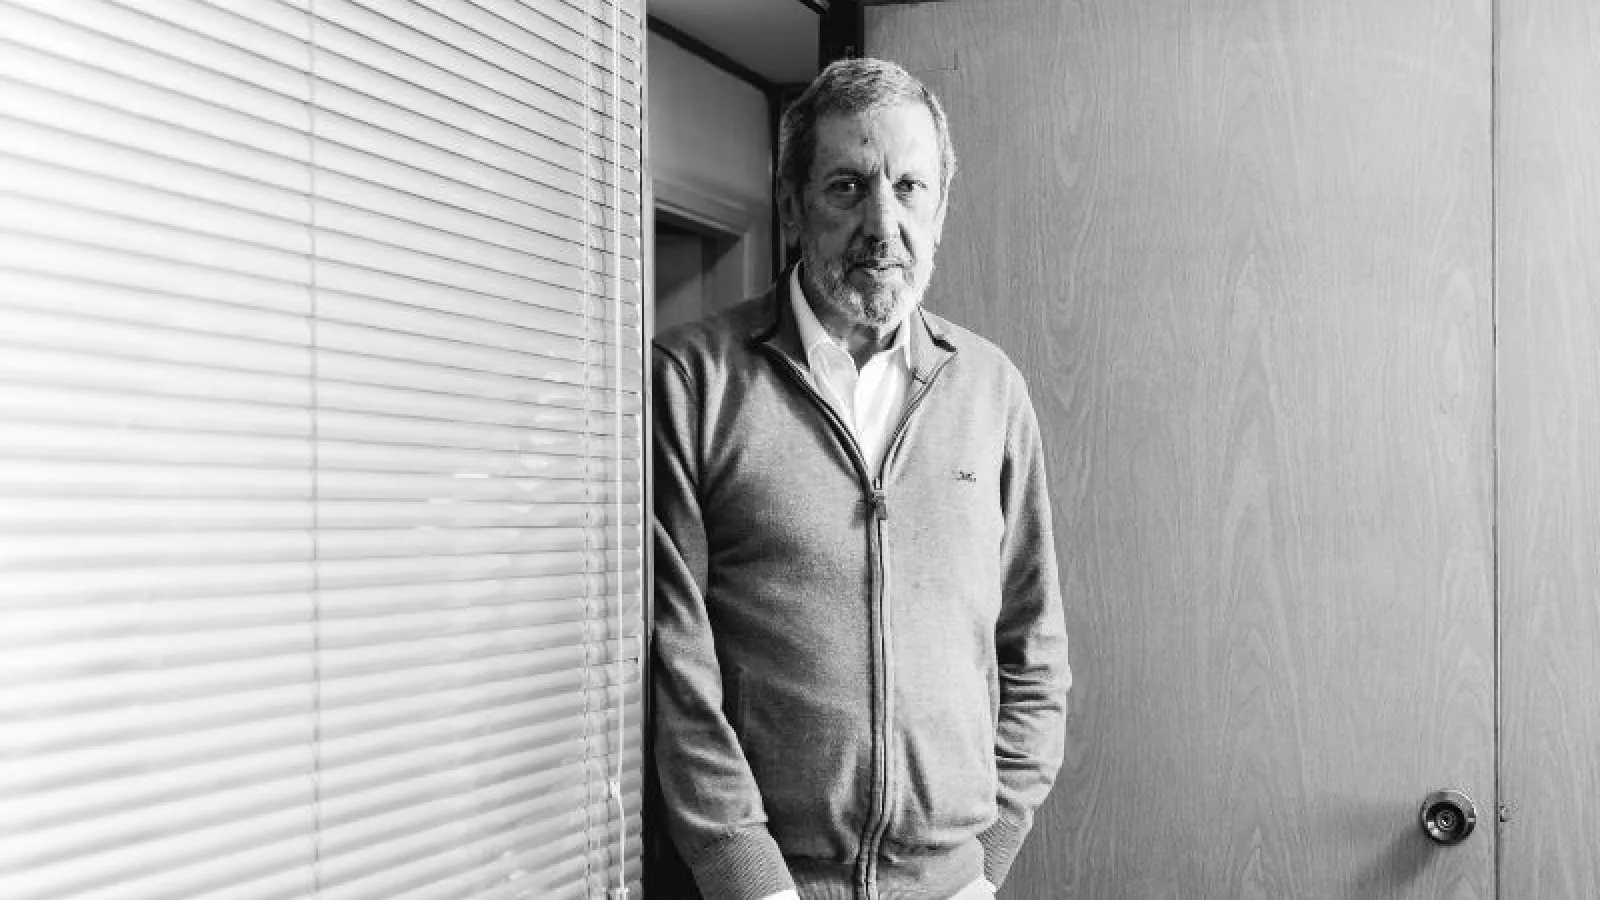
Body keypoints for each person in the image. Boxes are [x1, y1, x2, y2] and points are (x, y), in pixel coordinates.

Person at [651, 57, 1071, 900]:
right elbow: (674, 666)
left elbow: (1034, 648)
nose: (883, 224)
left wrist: (986, 859)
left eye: (910, 187)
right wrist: (751, 879)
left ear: (940, 209)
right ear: (792, 205)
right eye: (848, 187)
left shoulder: (990, 390)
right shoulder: (693, 380)